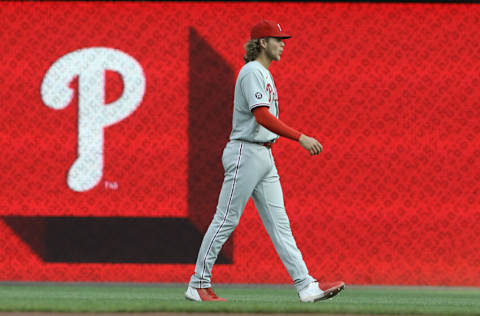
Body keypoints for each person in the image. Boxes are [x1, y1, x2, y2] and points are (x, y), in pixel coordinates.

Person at [185, 20, 345, 303]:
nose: (282, 44)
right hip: (246, 152)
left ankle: (306, 285)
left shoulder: (265, 75)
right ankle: (198, 283)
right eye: (277, 39)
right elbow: (261, 116)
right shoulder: (251, 73)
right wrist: (300, 137)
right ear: (262, 43)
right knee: (225, 219)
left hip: (263, 155)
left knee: (280, 224)